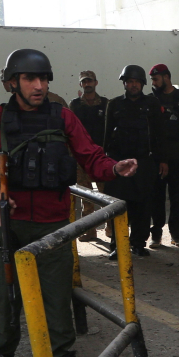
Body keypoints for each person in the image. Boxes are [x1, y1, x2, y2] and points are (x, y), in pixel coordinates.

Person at [0, 48, 138, 357]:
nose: (38, 85)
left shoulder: (63, 117)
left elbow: (90, 155)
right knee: (5, 296)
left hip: (53, 224)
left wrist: (113, 168)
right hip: (8, 224)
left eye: (43, 78)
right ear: (12, 82)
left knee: (56, 296)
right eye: (30, 78)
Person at [102, 65, 165, 256]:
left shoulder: (152, 104)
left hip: (144, 162)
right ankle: (117, 246)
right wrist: (105, 162)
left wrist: (163, 160)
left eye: (137, 81)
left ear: (143, 84)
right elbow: (106, 135)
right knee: (118, 206)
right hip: (119, 163)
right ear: (124, 84)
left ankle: (138, 244)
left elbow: (160, 134)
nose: (133, 85)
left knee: (143, 205)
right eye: (130, 81)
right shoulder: (114, 105)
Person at [148, 63, 179, 248]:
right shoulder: (151, 99)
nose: (153, 83)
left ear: (166, 77)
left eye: (155, 79)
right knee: (157, 196)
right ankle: (156, 234)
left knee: (177, 195)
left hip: (178, 154)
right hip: (157, 156)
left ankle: (176, 233)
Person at [70, 71, 108, 243]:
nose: (87, 84)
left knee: (106, 195)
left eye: (90, 81)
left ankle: (111, 228)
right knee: (86, 196)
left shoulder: (107, 104)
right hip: (82, 158)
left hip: (101, 156)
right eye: (84, 82)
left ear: (96, 82)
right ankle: (90, 230)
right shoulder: (75, 105)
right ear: (80, 85)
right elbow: (70, 130)